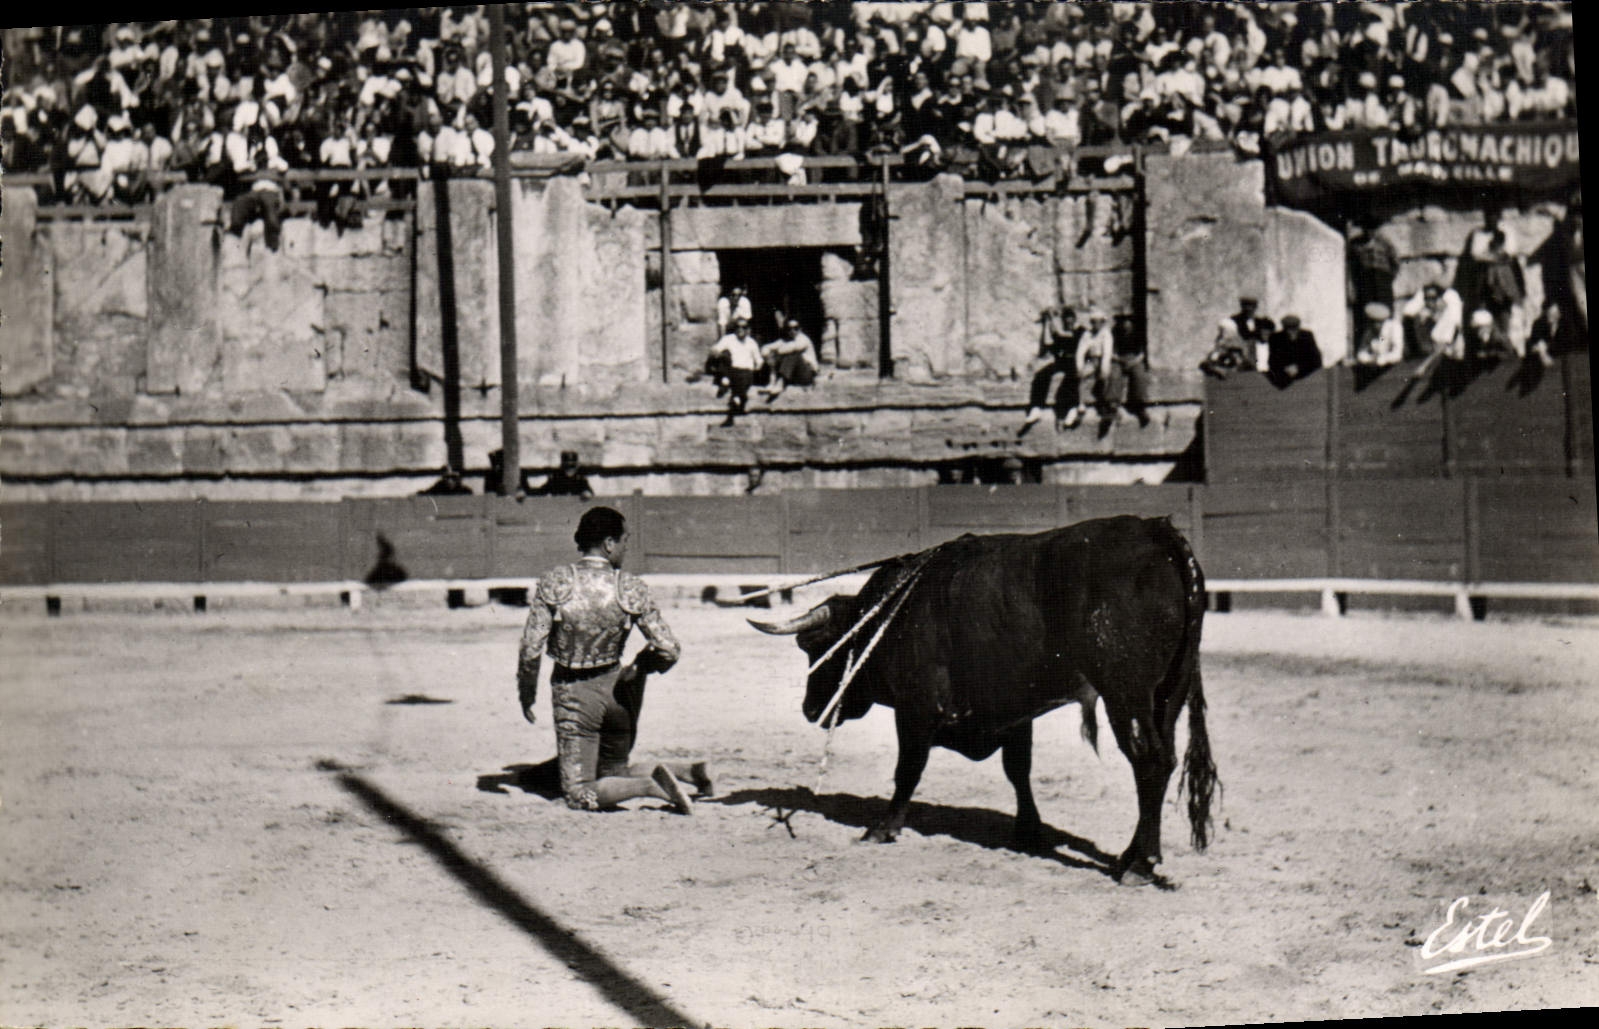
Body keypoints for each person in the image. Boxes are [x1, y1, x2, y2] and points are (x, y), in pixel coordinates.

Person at [516, 506, 712, 814]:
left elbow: (530, 648)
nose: (626, 547)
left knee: (579, 792)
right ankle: (689, 772)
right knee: (613, 772)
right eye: (624, 541)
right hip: (620, 694)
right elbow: (669, 649)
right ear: (608, 544)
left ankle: (651, 786)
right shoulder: (629, 587)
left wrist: (526, 693)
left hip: (575, 696)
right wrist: (641, 667)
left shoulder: (556, 582)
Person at [1022, 304, 1079, 430]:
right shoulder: (1061, 333)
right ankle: (1036, 407)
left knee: (1071, 379)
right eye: (1066, 319)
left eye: (1071, 319)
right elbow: (1048, 342)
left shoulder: (1080, 331)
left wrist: (1052, 317)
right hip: (1061, 362)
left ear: (1075, 320)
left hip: (1075, 362)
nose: (1068, 322)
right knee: (1042, 374)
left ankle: (1073, 409)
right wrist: (1047, 322)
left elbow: (1062, 334)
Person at [705, 316, 763, 427]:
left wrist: (758, 366)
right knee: (725, 355)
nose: (740, 329)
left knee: (743, 377)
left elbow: (758, 359)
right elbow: (715, 349)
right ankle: (735, 396)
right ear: (734, 328)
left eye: (743, 327)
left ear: (748, 329)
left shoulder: (751, 343)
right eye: (738, 327)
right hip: (732, 370)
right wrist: (716, 353)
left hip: (746, 372)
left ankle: (734, 399)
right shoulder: (729, 339)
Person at [1104, 311, 1151, 427]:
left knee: (1140, 375)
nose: (1126, 324)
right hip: (1118, 359)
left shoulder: (1138, 332)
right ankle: (1113, 406)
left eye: (1128, 321)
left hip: (1134, 359)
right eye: (1123, 321)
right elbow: (1111, 352)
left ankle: (1140, 406)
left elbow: (1142, 354)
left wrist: (1133, 362)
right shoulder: (1114, 332)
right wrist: (1120, 360)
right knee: (1114, 374)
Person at [760, 317, 820, 399]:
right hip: (793, 376)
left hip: (806, 375)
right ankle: (772, 382)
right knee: (773, 356)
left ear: (800, 329)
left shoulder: (803, 339)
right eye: (789, 328)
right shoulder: (786, 340)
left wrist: (775, 353)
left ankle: (780, 382)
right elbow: (766, 347)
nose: (793, 331)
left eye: (796, 328)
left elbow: (791, 348)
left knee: (793, 354)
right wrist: (767, 355)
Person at [1266, 314, 1322, 386]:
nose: (1292, 333)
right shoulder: (1276, 338)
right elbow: (1273, 361)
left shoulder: (1307, 337)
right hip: (1284, 380)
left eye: (1294, 329)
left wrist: (1299, 368)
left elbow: (1316, 360)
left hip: (1307, 378)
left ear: (1298, 327)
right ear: (1284, 328)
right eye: (1289, 329)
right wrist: (1285, 369)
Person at [1353, 302, 1404, 367]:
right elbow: (1361, 352)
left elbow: (1398, 354)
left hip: (1396, 367)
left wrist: (1383, 359)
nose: (1372, 326)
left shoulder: (1394, 328)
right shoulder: (1370, 331)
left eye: (1376, 322)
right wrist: (1369, 359)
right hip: (1376, 367)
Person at [530, 450, 595, 499]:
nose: (570, 470)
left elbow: (590, 493)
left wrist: (587, 493)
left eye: (572, 466)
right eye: (567, 467)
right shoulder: (555, 479)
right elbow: (541, 492)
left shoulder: (581, 480)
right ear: (562, 466)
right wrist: (525, 493)